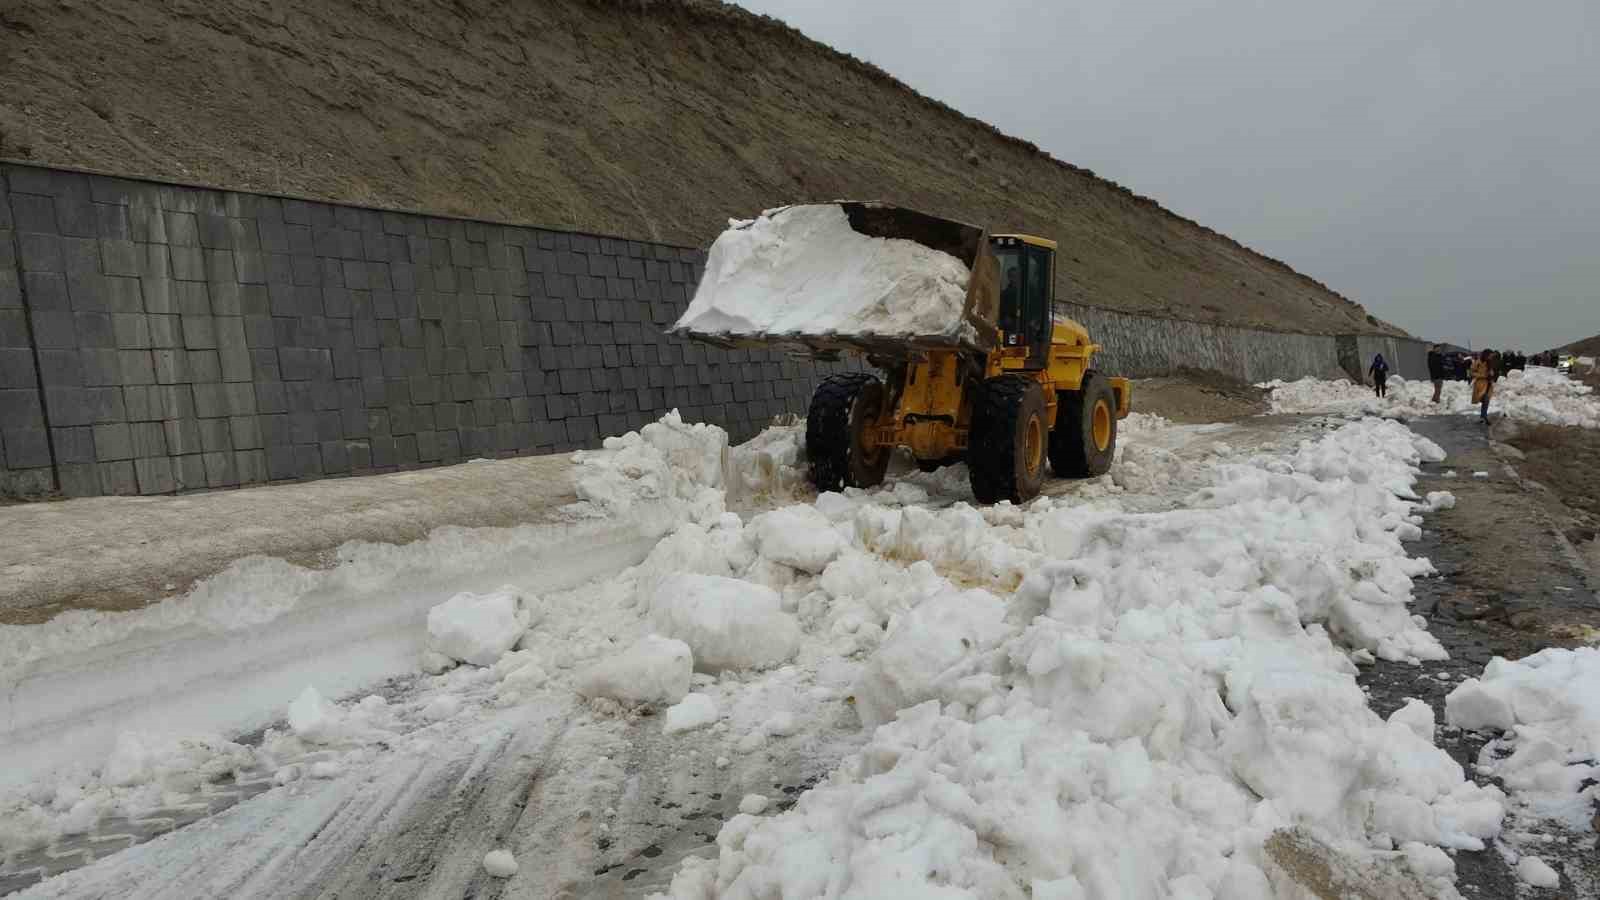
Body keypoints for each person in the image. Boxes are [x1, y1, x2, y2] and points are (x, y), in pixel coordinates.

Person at [1471, 349, 1495, 423]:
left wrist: (1491, 374)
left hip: (1488, 384)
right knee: (1484, 399)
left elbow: (1491, 372)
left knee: (1486, 400)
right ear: (1486, 355)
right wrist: (1483, 375)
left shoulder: (1490, 362)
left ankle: (1483, 416)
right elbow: (1472, 372)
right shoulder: (1478, 362)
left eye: (1492, 356)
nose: (1491, 357)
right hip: (1480, 384)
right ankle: (1484, 416)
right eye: (1490, 355)